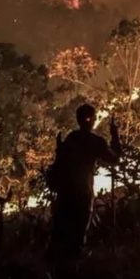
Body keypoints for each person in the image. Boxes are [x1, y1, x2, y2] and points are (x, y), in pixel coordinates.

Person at [47, 103, 121, 269]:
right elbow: (114, 159)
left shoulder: (71, 138)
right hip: (82, 192)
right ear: (91, 120)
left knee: (61, 232)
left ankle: (56, 272)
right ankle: (73, 271)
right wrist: (115, 137)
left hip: (65, 193)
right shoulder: (95, 141)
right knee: (78, 232)